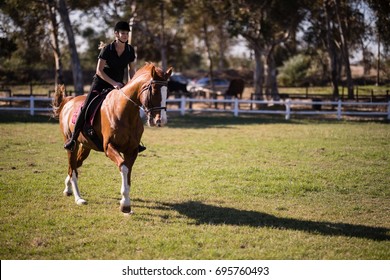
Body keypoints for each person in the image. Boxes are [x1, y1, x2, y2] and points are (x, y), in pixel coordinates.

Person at [64, 21, 146, 152]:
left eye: (127, 33)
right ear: (116, 34)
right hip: (101, 83)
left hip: (119, 86)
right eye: (123, 33)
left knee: (131, 106)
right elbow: (99, 71)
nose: (125, 36)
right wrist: (113, 83)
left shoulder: (130, 50)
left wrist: (132, 83)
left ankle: (135, 140)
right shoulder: (107, 49)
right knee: (85, 107)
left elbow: (131, 70)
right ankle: (73, 139)